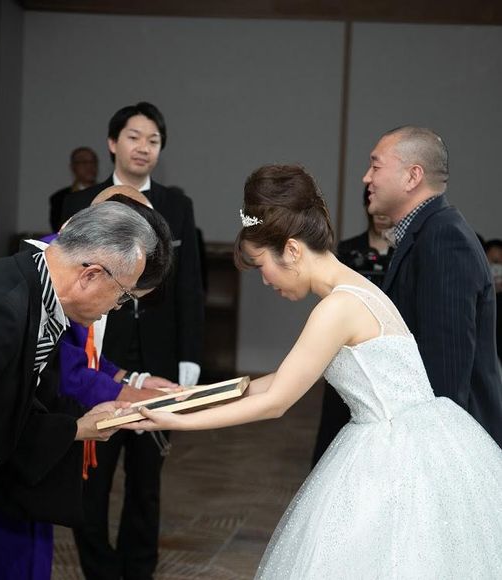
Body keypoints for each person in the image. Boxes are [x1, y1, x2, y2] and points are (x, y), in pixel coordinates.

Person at [119, 164, 502, 577]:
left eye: (261, 264)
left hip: (392, 455)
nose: (265, 280)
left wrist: (176, 421)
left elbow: (276, 401)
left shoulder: (338, 307)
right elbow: (277, 380)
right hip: (415, 439)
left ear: (293, 250)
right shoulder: (351, 291)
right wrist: (188, 397)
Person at [0, 202, 157, 578]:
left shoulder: (37, 295)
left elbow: (5, 411)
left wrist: (80, 423)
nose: (118, 307)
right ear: (91, 275)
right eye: (123, 294)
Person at [62, 102, 205, 580]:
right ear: (113, 143)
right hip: (100, 356)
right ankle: (100, 570)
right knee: (93, 477)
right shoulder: (82, 203)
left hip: (158, 357)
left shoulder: (177, 205)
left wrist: (189, 356)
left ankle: (139, 569)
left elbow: (189, 286)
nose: (144, 147)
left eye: (154, 140)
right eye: (134, 137)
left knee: (147, 480)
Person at [363, 126, 502, 447]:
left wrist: (434, 452)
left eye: (376, 166)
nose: (367, 178)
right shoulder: (428, 232)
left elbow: (447, 367)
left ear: (412, 177)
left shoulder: (443, 238)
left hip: (451, 440)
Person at [313, 187, 394, 465]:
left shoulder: (403, 251)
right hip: (347, 342)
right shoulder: (348, 249)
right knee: (336, 416)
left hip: (384, 343)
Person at [49, 147, 98, 232]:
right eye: (84, 162)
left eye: (93, 162)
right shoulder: (60, 198)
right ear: (73, 167)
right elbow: (58, 230)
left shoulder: (106, 192)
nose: (89, 166)